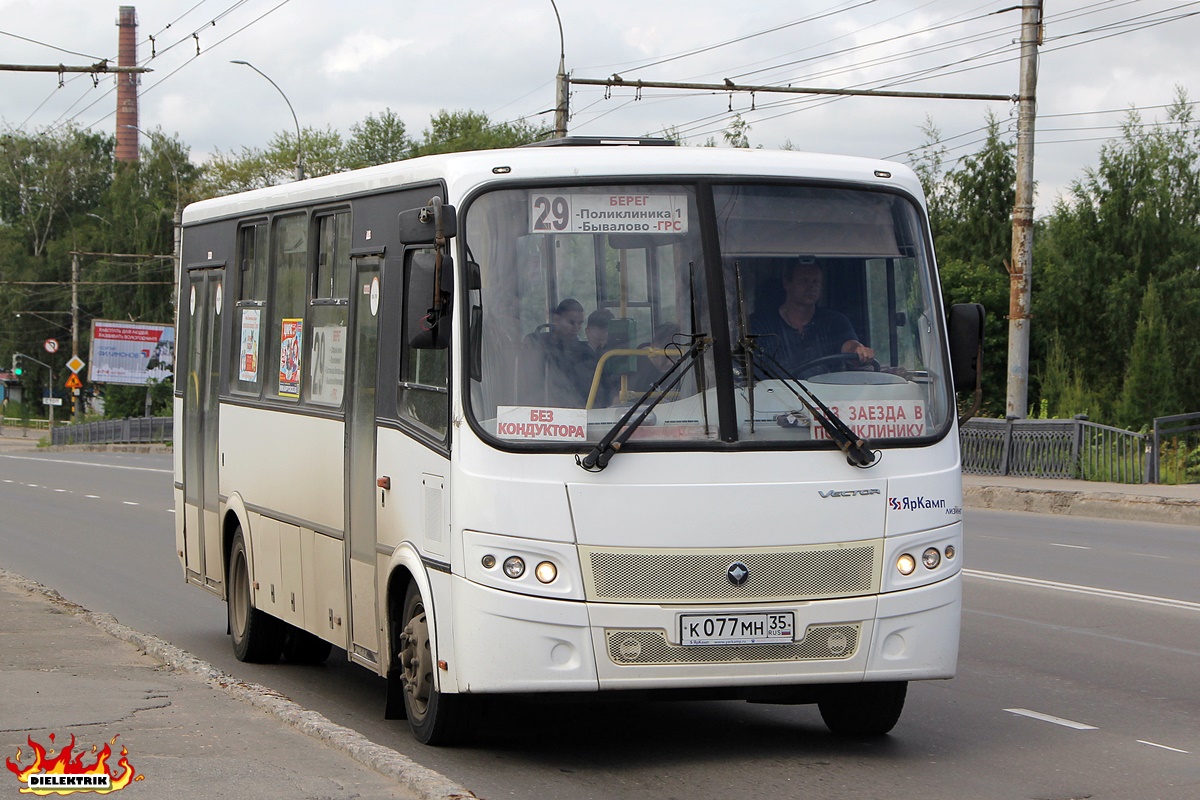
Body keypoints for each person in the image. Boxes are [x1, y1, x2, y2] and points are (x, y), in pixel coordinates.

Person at [748, 259, 874, 374]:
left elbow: (850, 346)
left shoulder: (835, 322)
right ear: (787, 283)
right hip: (775, 397)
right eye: (803, 281)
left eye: (816, 281)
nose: (811, 287)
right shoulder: (760, 325)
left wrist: (859, 350)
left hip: (826, 397)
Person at [519, 298, 597, 406]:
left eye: (580, 323)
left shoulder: (585, 352)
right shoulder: (537, 344)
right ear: (556, 319)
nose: (576, 328)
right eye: (571, 322)